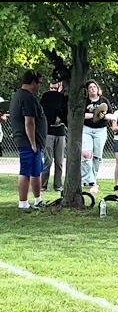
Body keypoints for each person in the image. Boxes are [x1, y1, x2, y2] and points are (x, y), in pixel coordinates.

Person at [9, 70, 47, 209]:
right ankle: (23, 203)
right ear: (33, 82)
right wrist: (32, 143)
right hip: (28, 142)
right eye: (39, 83)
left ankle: (38, 199)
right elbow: (29, 122)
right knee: (25, 171)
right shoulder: (27, 98)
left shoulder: (20, 96)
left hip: (35, 142)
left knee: (36, 171)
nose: (39, 86)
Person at [82, 79, 113, 192]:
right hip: (87, 129)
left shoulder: (104, 101)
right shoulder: (84, 101)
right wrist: (94, 115)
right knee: (86, 154)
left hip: (100, 130)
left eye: (94, 87)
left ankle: (92, 180)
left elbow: (110, 115)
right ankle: (87, 180)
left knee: (97, 156)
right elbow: (81, 115)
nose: (92, 89)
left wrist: (102, 116)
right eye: (90, 87)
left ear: (97, 88)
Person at [40, 80, 68, 192]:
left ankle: (58, 185)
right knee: (48, 160)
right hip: (49, 132)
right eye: (51, 88)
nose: (53, 91)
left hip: (60, 133)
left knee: (59, 161)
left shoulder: (63, 100)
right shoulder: (46, 99)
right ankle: (43, 184)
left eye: (55, 88)